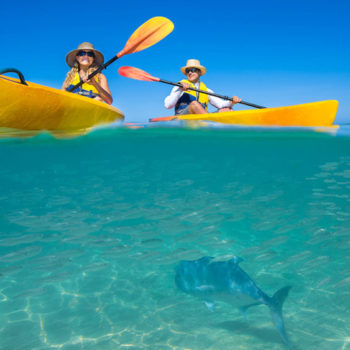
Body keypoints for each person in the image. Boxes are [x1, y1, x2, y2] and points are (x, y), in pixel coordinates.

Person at [164, 59, 241, 115]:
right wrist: (180, 90)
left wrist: (232, 102)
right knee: (194, 104)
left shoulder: (207, 90)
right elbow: (168, 105)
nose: (190, 72)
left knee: (227, 110)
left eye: (193, 70)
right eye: (188, 71)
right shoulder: (179, 86)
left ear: (199, 72)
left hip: (200, 120)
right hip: (182, 119)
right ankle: (211, 126)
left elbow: (220, 104)